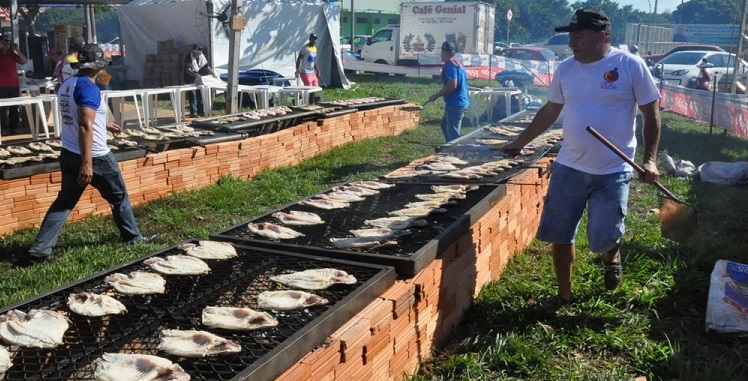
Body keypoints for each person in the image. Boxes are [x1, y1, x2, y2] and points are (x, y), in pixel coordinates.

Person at [502, 9, 662, 307]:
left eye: (577, 36)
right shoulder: (565, 69)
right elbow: (551, 110)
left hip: (613, 169)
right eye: (570, 36)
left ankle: (611, 257)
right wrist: (520, 141)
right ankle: (564, 294)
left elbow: (651, 113)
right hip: (569, 167)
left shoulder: (630, 65)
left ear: (601, 36)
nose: (571, 43)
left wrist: (650, 160)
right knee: (560, 234)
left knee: (605, 233)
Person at [28, 44, 155, 261]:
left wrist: (103, 124)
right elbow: (85, 126)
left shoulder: (67, 84)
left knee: (64, 202)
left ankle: (40, 249)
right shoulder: (89, 88)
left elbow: (78, 115)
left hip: (68, 153)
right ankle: (133, 238)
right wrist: (87, 164)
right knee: (119, 197)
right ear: (99, 65)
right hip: (94, 157)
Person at [427, 41, 469, 142]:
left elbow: (452, 85)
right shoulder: (458, 63)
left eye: (441, 52)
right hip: (456, 102)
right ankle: (448, 147)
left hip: (456, 104)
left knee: (453, 134)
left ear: (445, 52)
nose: (441, 54)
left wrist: (436, 95)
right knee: (444, 125)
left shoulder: (451, 65)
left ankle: (456, 152)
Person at [0, 32, 28, 136]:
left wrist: (17, 49)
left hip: (13, 85)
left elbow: (25, 61)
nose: (5, 45)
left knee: (14, 108)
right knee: (2, 109)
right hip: (1, 85)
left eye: (7, 43)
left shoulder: (12, 55)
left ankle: (14, 128)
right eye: (3, 43)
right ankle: (3, 128)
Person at [183, 44, 217, 118]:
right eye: (195, 53)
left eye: (198, 53)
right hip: (190, 78)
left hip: (198, 77)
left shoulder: (201, 56)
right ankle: (193, 112)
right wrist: (195, 75)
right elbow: (188, 70)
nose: (197, 54)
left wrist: (213, 73)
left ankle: (200, 111)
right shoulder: (189, 57)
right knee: (192, 95)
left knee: (199, 93)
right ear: (193, 52)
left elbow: (206, 66)